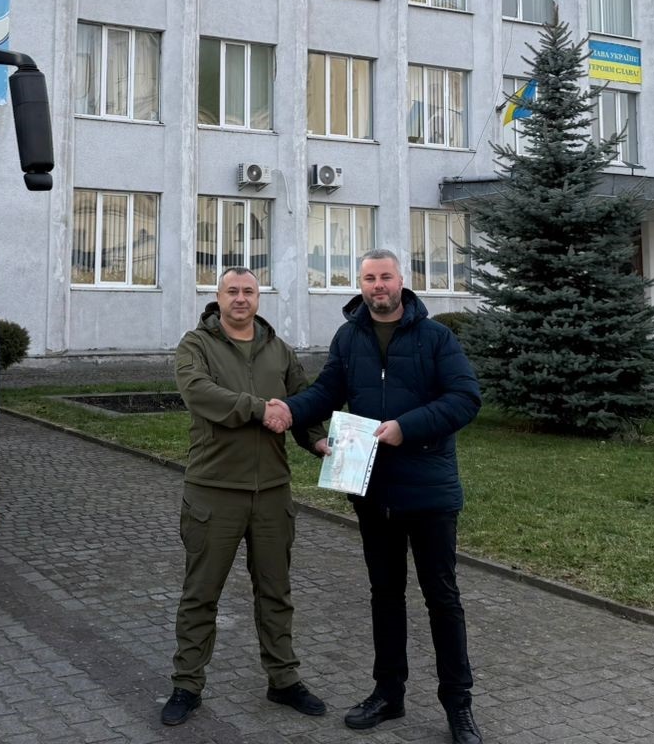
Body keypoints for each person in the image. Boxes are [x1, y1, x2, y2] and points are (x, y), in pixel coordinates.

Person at [270, 248, 485, 744]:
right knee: (385, 596)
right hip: (373, 491)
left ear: (401, 281)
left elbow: (465, 398)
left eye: (385, 277)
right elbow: (326, 393)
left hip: (429, 493)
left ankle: (458, 705)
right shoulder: (349, 337)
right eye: (369, 279)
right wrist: (290, 411)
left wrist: (405, 428)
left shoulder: (436, 337)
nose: (378, 286)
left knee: (442, 599)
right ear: (361, 284)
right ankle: (388, 694)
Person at [161, 267, 328, 728]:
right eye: (232, 291)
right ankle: (187, 685)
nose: (240, 298)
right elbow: (200, 394)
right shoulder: (196, 345)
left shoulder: (279, 350)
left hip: (272, 493)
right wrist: (260, 410)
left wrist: (318, 441)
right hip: (214, 492)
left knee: (276, 591)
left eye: (248, 291)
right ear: (217, 297)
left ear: (258, 297)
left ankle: (283, 680)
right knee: (201, 594)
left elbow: (302, 402)